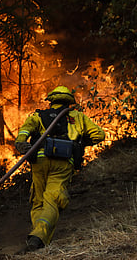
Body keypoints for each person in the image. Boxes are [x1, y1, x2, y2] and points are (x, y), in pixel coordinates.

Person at [14, 86, 105, 253]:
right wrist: (79, 142)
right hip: (63, 162)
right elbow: (99, 135)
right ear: (69, 102)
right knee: (53, 198)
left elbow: (24, 131)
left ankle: (37, 238)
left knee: (38, 200)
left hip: (40, 160)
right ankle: (38, 237)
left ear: (51, 101)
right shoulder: (77, 117)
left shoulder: (38, 115)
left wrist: (21, 143)